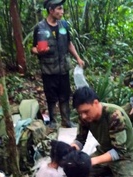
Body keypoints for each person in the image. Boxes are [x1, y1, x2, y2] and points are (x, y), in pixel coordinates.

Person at [31, 0, 84, 128]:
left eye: (62, 9)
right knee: (51, 97)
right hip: (48, 69)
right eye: (59, 9)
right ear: (51, 10)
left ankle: (66, 121)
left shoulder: (64, 25)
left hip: (63, 68)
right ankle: (53, 122)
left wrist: (78, 58)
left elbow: (68, 43)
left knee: (65, 96)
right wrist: (39, 51)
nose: (62, 12)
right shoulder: (40, 27)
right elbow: (32, 48)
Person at [70, 86, 133, 177]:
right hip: (104, 150)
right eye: (80, 113)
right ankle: (109, 173)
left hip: (125, 155)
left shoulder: (114, 115)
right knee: (78, 173)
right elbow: (80, 139)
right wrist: (71, 149)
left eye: (86, 111)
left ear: (95, 103)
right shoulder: (85, 117)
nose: (83, 116)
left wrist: (92, 161)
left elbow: (119, 151)